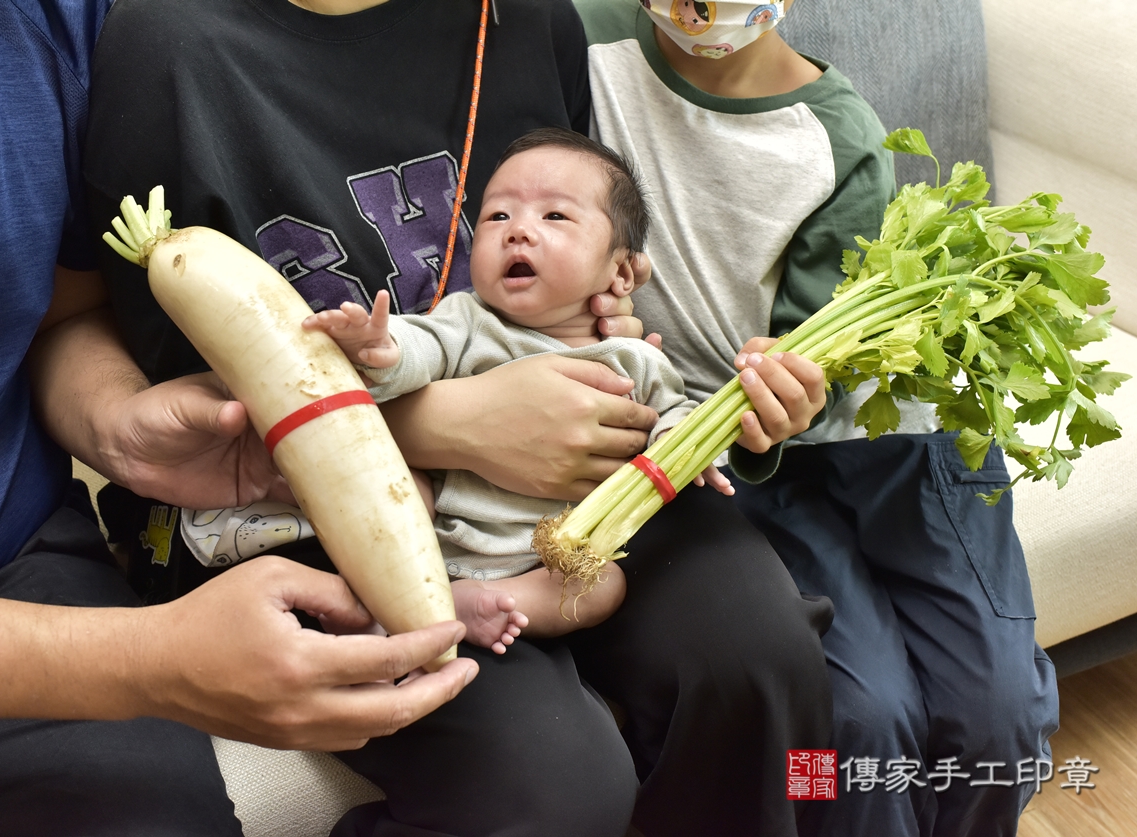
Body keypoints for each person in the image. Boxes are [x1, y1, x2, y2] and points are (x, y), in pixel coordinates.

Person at [85, 0, 836, 834]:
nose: (520, 228)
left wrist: (721, 409)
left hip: (590, 484)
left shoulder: (530, 19)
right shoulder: (160, 46)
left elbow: (586, 264)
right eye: (502, 215)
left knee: (771, 661)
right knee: (557, 785)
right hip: (319, 502)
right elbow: (123, 365)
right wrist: (452, 419)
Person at [0, 2, 477, 834]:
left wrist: (114, 422)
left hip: (8, 561)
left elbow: (56, 310)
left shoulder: (36, 20)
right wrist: (148, 661)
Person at [573, 0, 1059, 835]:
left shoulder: (837, 135)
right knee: (855, 720)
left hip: (903, 443)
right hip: (762, 468)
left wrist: (799, 382)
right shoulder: (584, 38)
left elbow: (825, 360)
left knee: (997, 716)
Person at [302, 128, 734, 651]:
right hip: (439, 526)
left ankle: (468, 603)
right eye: (497, 216)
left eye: (554, 216)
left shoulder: (634, 359)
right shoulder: (467, 319)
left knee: (601, 586)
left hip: (550, 557)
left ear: (620, 272)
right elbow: (422, 346)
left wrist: (686, 443)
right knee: (397, 487)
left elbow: (673, 412)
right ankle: (388, 599)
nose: (518, 231)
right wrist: (382, 347)